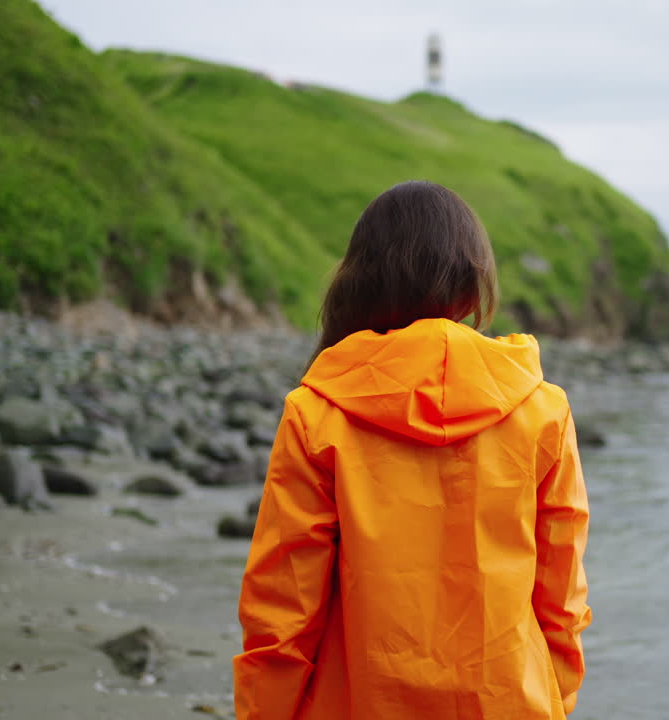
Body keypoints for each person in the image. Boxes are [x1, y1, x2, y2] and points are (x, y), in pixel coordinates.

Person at [234, 181, 592, 720]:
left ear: (361, 284)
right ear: (473, 291)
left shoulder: (317, 412)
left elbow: (283, 608)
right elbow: (560, 598)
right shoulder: (542, 409)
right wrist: (554, 700)